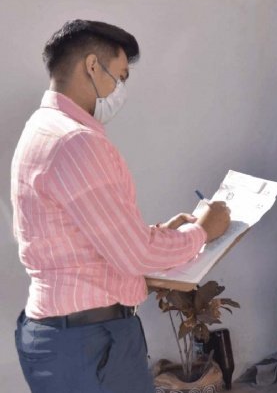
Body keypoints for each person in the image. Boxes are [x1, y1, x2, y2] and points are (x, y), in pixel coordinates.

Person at [11, 19, 231, 393]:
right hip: (91, 342)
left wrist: (157, 235)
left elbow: (79, 236)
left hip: (63, 336)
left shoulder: (41, 128)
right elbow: (134, 254)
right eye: (121, 76)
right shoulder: (76, 142)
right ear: (92, 66)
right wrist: (203, 231)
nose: (121, 90)